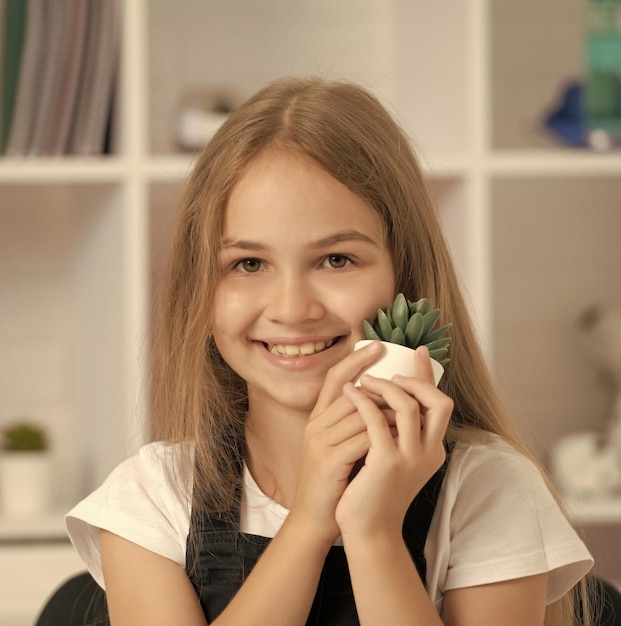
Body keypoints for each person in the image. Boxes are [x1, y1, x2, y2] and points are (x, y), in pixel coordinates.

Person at [66, 77, 594, 625]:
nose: (292, 309)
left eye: (336, 260)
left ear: (403, 277)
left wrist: (373, 532)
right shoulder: (152, 496)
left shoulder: (488, 487)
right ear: (201, 294)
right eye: (248, 264)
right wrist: (310, 523)